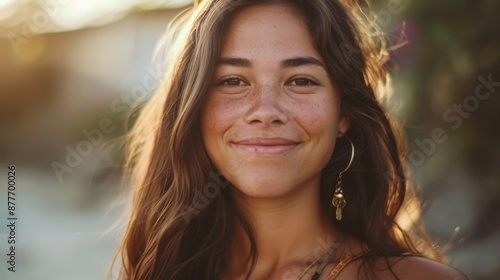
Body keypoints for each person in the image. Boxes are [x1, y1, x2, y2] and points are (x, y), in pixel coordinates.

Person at [112, 0, 470, 279]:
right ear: (193, 110)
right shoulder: (160, 271)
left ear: (342, 114)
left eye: (301, 80)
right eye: (233, 81)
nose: (266, 111)